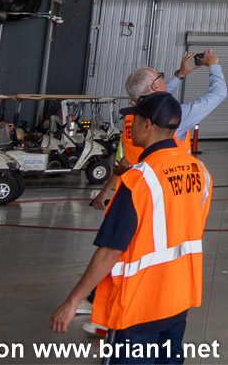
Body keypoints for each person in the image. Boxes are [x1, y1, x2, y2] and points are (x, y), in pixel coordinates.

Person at [49, 92, 211, 364]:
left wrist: (72, 301)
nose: (130, 127)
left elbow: (110, 251)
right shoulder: (200, 171)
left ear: (147, 126)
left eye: (133, 121)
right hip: (179, 298)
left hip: (139, 306)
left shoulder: (139, 180)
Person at [94, 51, 224, 211]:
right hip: (169, 196)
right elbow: (218, 94)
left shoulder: (131, 119)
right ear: (156, 85)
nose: (163, 79)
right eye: (160, 76)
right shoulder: (175, 116)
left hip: (136, 194)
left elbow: (126, 160)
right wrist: (213, 65)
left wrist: (180, 75)